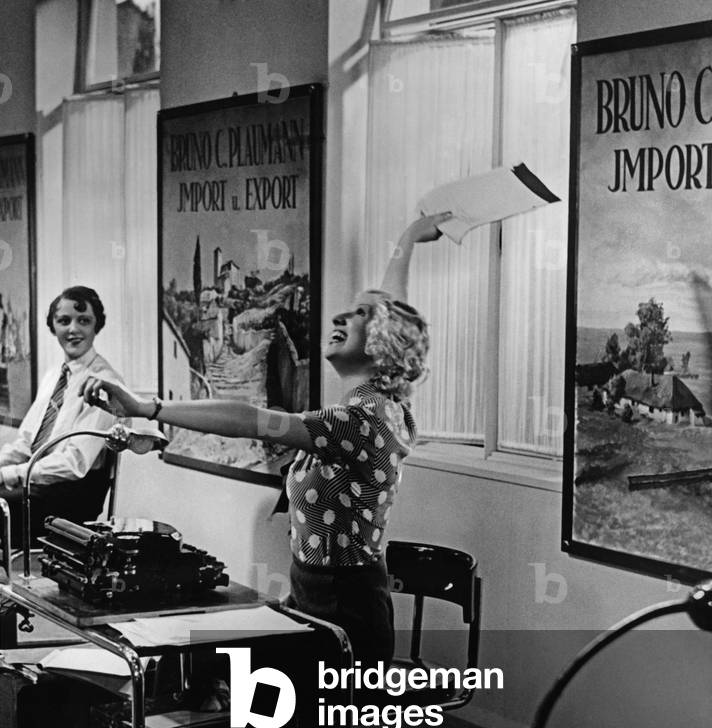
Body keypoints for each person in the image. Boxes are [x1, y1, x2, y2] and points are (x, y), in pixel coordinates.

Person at [81, 213, 451, 667]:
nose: (340, 315)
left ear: (382, 342)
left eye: (359, 314)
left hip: (342, 622)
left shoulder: (356, 421)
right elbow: (393, 308)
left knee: (203, 675)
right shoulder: (389, 406)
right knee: (196, 659)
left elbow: (252, 420)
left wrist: (147, 408)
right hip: (319, 604)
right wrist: (408, 237)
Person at [0, 285, 124, 548]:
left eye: (84, 321)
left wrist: (4, 476)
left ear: (97, 326)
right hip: (36, 488)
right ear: (53, 326)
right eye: (64, 321)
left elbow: (74, 464)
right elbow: (25, 444)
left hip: (69, 502)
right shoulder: (54, 375)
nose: (73, 330)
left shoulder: (104, 384)